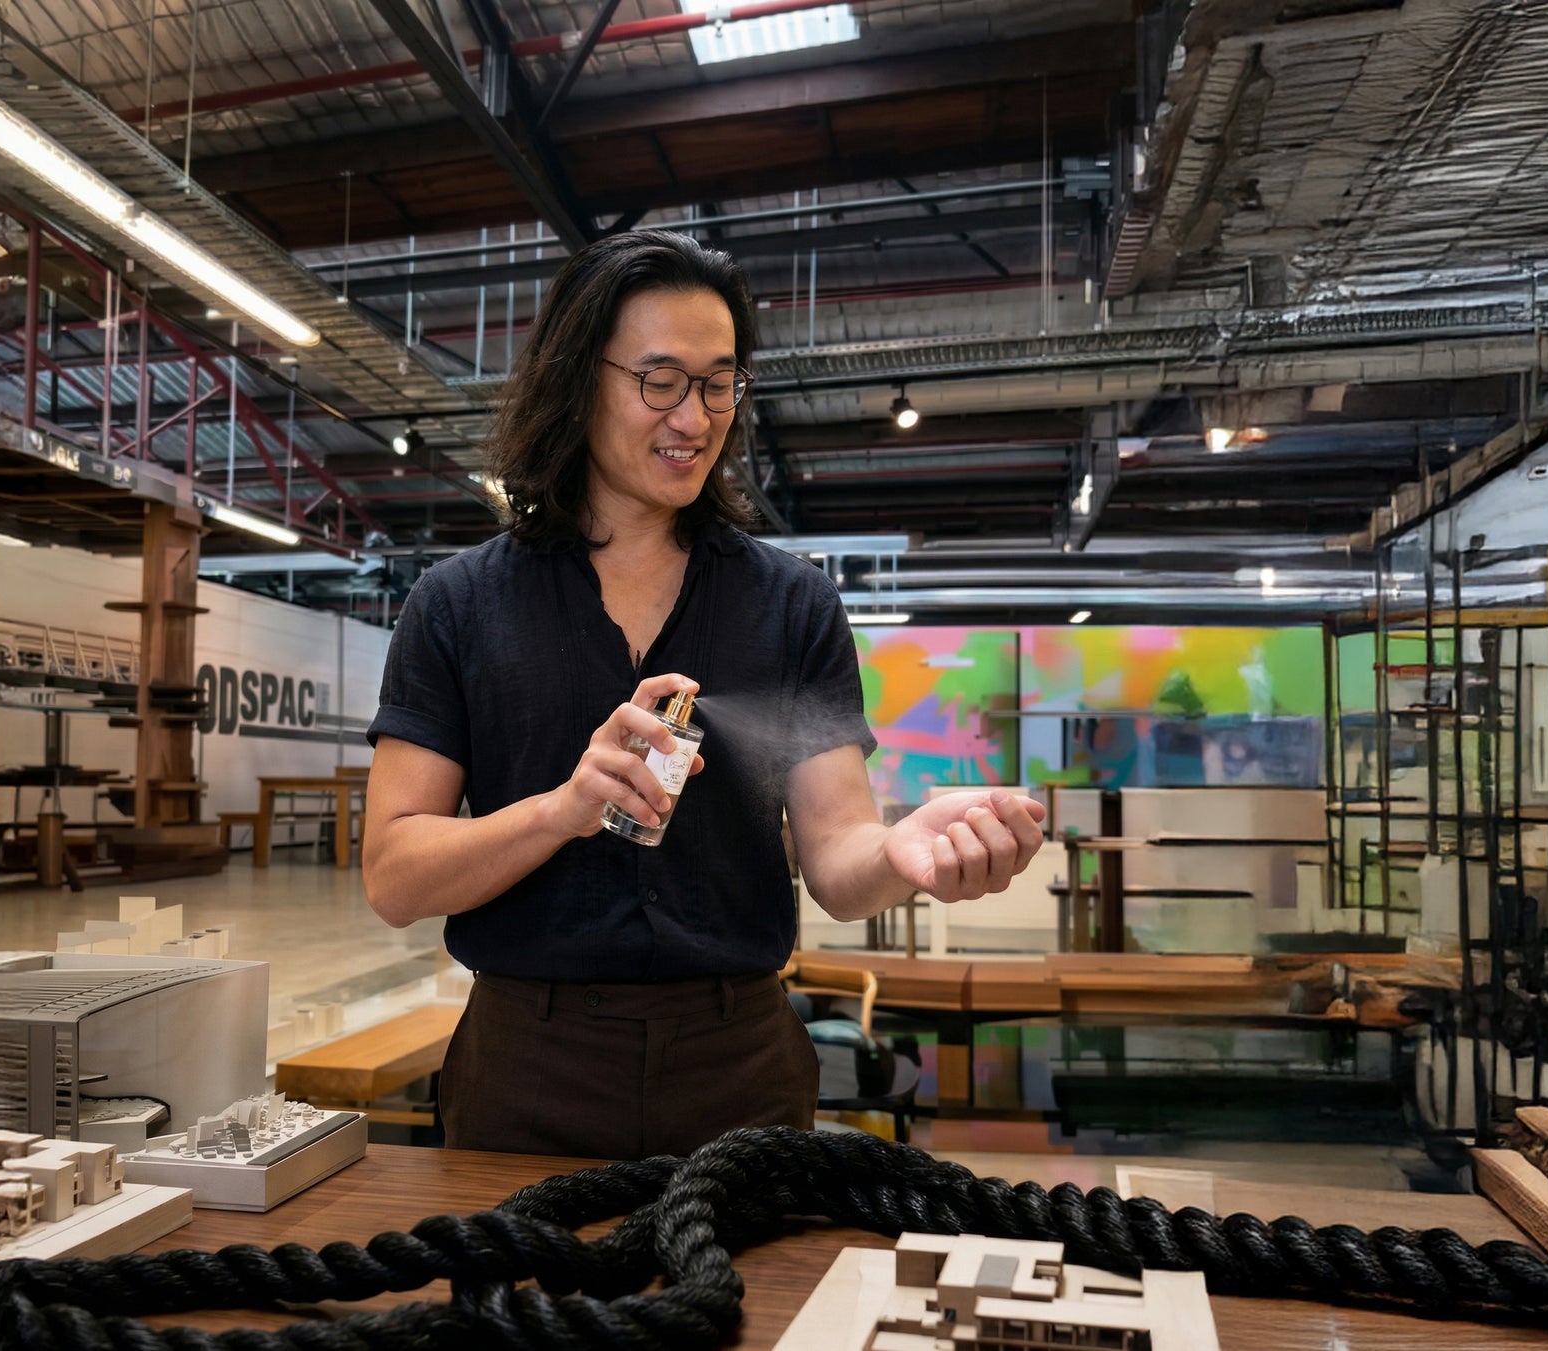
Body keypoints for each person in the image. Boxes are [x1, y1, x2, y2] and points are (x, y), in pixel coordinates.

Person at [360, 230, 1047, 1160]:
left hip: (740, 1068)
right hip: (528, 1069)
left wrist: (902, 850)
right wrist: (562, 810)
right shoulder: (458, 605)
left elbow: (837, 856)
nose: (694, 417)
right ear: (577, 378)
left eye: (720, 384)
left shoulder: (791, 604)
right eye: (661, 381)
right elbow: (394, 874)